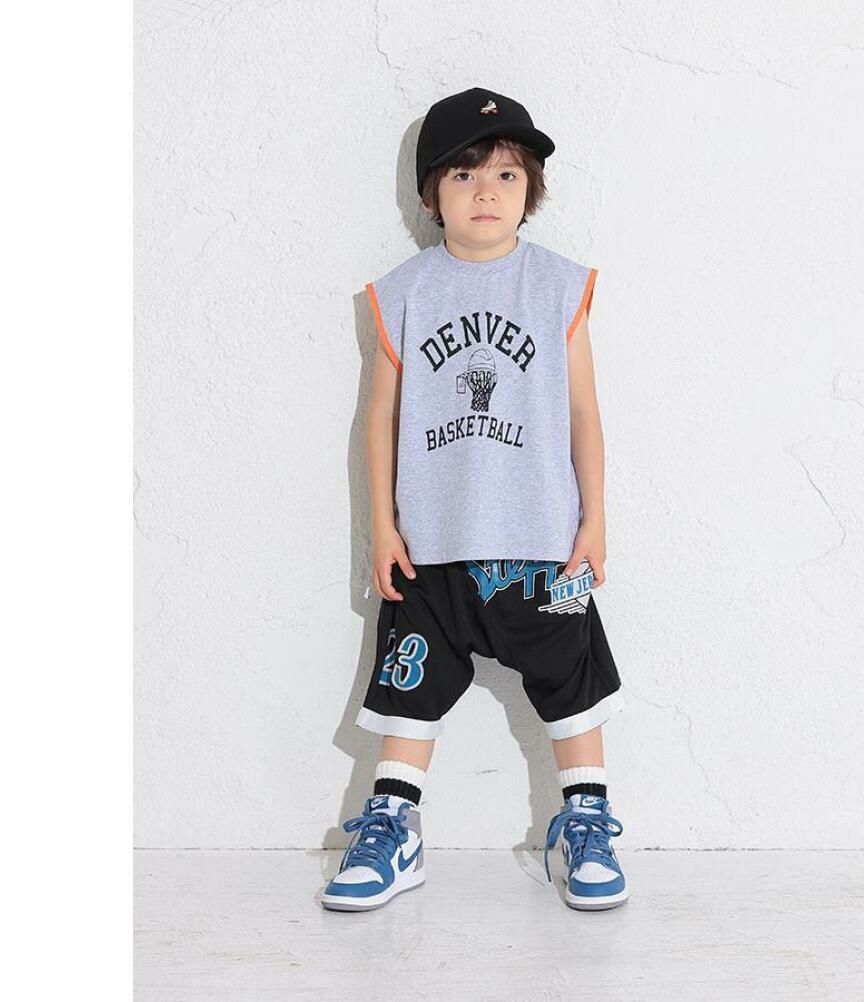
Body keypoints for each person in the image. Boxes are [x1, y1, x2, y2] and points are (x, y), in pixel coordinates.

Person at [322, 87, 627, 913]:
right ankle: (394, 824)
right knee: (407, 689)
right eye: (463, 174)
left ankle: (584, 819)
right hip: (432, 544)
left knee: (572, 684)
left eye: (505, 174)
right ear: (431, 195)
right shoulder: (404, 291)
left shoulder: (557, 286)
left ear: (531, 190)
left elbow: (584, 411)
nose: (485, 190)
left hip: (542, 542)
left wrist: (595, 519)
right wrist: (383, 527)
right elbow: (379, 418)